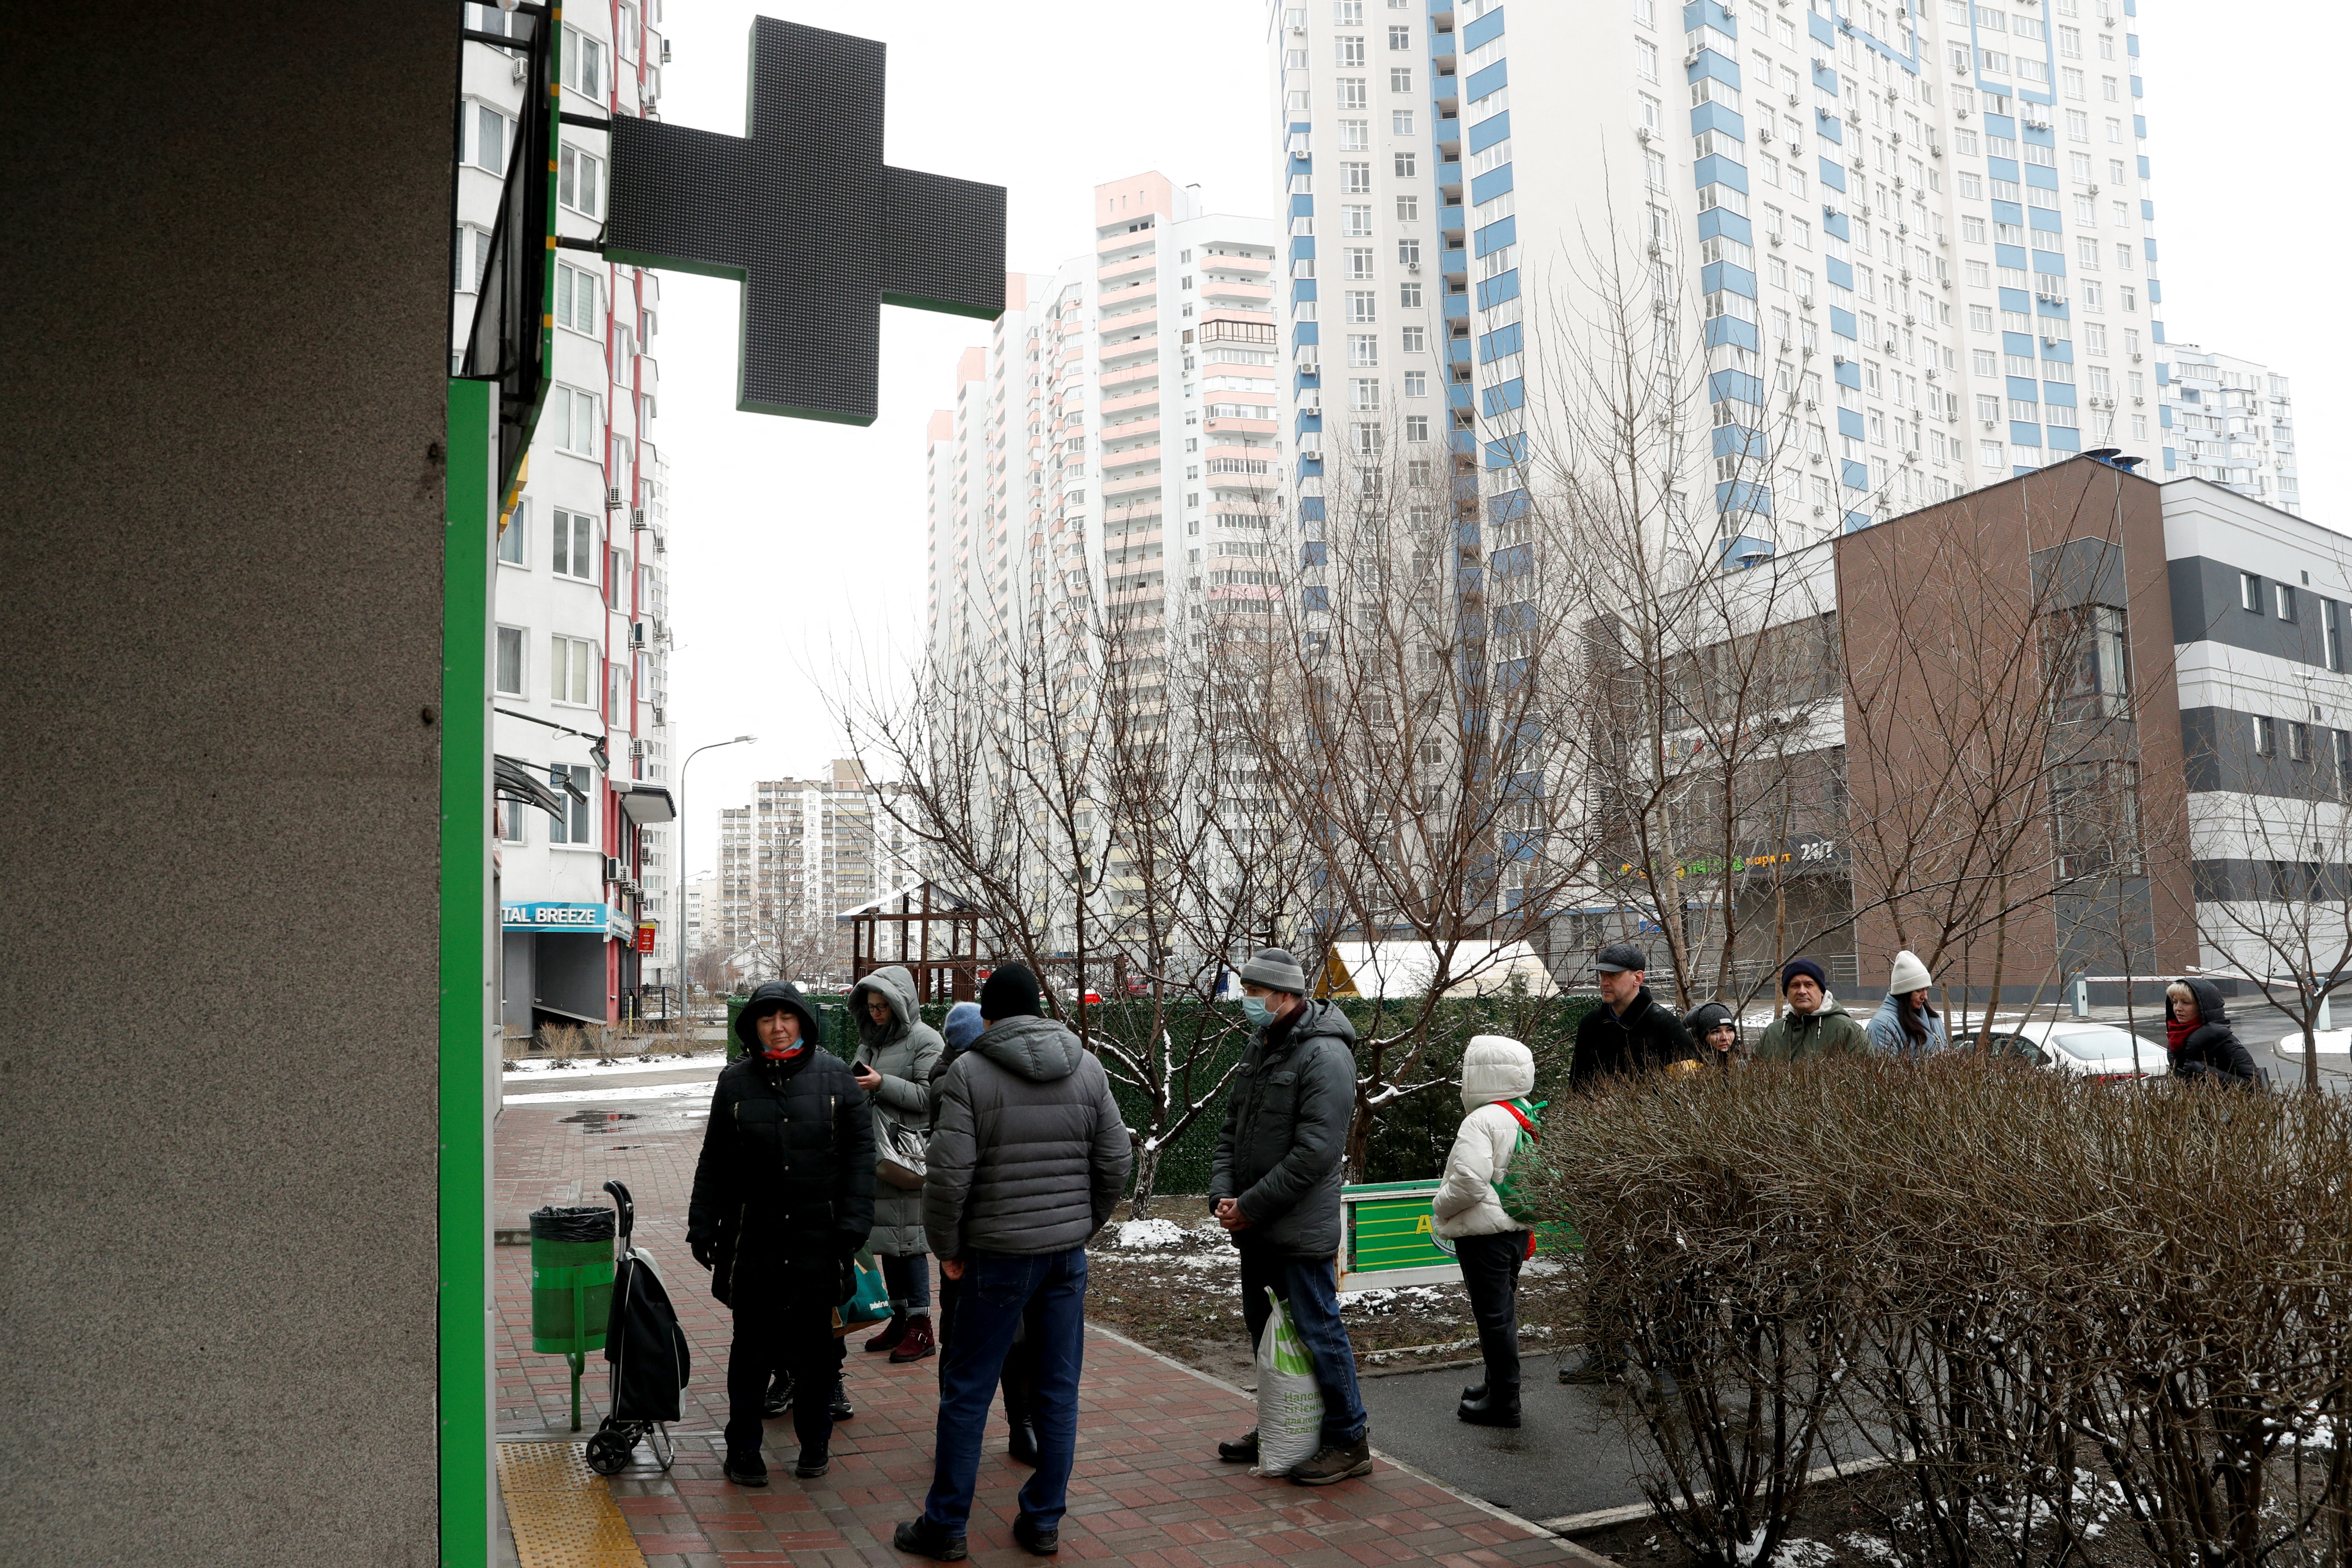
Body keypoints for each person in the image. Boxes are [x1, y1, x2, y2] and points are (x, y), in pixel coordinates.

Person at [893, 965, 1131, 1562]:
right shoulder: (1087, 1064)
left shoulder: (970, 1072)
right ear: (1040, 1011)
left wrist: (947, 1248)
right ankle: (1043, 1519)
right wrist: (1081, 1223)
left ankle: (945, 1524)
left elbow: (947, 1179)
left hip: (993, 1258)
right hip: (1063, 1258)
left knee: (967, 1391)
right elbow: (1115, 1161)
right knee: (1057, 1388)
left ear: (990, 1017)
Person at [687, 980, 874, 1488]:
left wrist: (855, 1223)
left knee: (815, 1352)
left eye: (786, 1017)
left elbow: (861, 1159)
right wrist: (702, 1222)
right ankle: (743, 1448)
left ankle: (815, 1442)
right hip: (754, 1239)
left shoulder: (836, 1077)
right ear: (753, 1028)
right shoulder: (735, 1082)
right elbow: (715, 1159)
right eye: (767, 1019)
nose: (777, 1027)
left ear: (803, 1022)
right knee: (750, 1350)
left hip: (820, 1237)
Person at [1209, 947, 1374, 1486]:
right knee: (1266, 1331)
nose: (1247, 1003)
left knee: (1317, 1330)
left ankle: (1349, 1439)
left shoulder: (1325, 1055)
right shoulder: (1260, 1045)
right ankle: (1283, 1423)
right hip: (1255, 1226)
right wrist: (1221, 1195)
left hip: (1297, 1228)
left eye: (1255, 994)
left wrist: (1249, 1205)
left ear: (1285, 995)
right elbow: (1232, 1129)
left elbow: (1316, 1153)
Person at [1433, 1035, 1542, 1429]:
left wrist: (1438, 1205)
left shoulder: (1481, 1119)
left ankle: (1505, 1400)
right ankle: (1496, 1384)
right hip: (1514, 1229)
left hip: (1484, 1235)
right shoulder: (1521, 1111)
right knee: (1503, 1313)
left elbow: (1469, 1182)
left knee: (1494, 1317)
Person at [850, 964, 946, 1363]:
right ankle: (901, 1316)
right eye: (870, 1006)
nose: (875, 1013)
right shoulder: (871, 1041)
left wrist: (881, 1084)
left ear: (900, 1004)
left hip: (906, 1156)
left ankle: (922, 1325)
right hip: (877, 1155)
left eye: (882, 1006)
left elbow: (930, 1096)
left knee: (911, 1243)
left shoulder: (926, 1040)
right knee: (888, 1241)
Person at [1568, 943, 1698, 1091]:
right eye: (1602, 974)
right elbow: (1577, 1085)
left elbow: (1687, 1090)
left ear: (1638, 978)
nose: (1604, 983)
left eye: (1614, 975)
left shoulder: (1667, 1026)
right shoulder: (1590, 1023)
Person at [1753, 958, 1870, 1061]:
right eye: (1795, 985)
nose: (1802, 991)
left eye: (1809, 985)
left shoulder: (1847, 1031)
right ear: (1786, 993)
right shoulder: (1774, 1033)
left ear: (1822, 991)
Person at [2165, 978, 2262, 1088]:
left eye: (2186, 1003)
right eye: (2175, 1002)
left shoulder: (2223, 1042)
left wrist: (2203, 1071)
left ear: (2202, 1007)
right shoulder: (2176, 1038)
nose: (2178, 1008)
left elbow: (2253, 1084)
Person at [1865, 951, 1949, 1057]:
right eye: (1919, 991)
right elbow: (1886, 1071)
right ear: (1904, 993)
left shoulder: (1934, 1019)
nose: (1925, 997)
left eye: (1926, 990)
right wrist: (1932, 1063)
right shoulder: (1881, 1026)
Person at [1683, 1001, 1741, 1070]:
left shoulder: (1741, 1064)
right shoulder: (1686, 1068)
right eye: (1716, 1032)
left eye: (1729, 1030)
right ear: (1699, 1036)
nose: (1725, 1038)